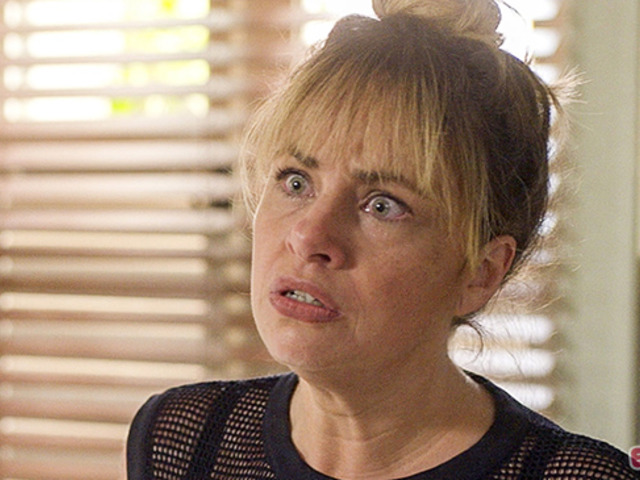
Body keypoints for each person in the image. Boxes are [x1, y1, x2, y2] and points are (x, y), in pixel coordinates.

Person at [126, 0, 639, 478]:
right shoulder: (184, 441)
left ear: (480, 272)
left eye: (382, 205)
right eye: (296, 182)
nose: (308, 236)